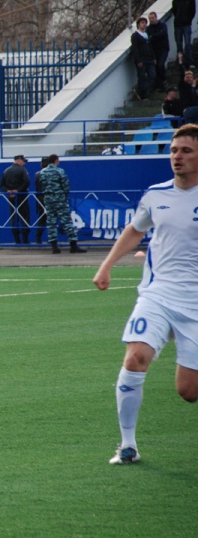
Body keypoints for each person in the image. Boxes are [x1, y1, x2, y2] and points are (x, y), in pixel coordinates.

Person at [92, 123, 198, 465]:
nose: (177, 157)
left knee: (188, 391)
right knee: (135, 357)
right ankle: (127, 446)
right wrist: (106, 265)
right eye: (174, 150)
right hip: (157, 294)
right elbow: (135, 230)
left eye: (186, 151)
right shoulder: (156, 195)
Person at [39, 154, 86, 254]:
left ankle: (54, 247)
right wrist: (63, 195)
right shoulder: (60, 171)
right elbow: (66, 186)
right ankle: (73, 246)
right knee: (67, 221)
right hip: (60, 199)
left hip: (48, 199)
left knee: (51, 222)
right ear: (56, 160)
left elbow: (41, 186)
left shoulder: (42, 172)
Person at [0, 154, 31, 244]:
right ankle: (25, 240)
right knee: (25, 217)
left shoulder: (6, 171)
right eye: (23, 161)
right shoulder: (22, 170)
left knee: (14, 218)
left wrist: (8, 191)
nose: (24, 163)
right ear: (18, 160)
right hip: (22, 197)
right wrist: (18, 190)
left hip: (11, 198)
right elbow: (27, 182)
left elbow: (1, 185)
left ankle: (17, 240)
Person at [131, 17, 156, 101]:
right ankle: (142, 94)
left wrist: (153, 57)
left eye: (145, 23)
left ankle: (142, 89)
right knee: (141, 76)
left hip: (149, 59)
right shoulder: (135, 35)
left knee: (152, 75)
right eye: (142, 23)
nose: (144, 24)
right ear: (138, 24)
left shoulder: (146, 34)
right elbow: (135, 49)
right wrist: (138, 60)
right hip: (141, 59)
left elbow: (151, 47)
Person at [147, 12, 170, 92]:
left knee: (160, 64)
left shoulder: (162, 25)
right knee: (156, 67)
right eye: (150, 18)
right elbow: (149, 39)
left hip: (164, 49)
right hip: (154, 50)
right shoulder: (148, 29)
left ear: (156, 17)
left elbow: (163, 34)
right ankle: (160, 85)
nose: (151, 20)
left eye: (152, 18)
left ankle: (164, 80)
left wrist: (153, 36)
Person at [172, 0, 196, 70]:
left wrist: (188, 20)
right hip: (177, 24)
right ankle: (181, 62)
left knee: (187, 44)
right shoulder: (175, 1)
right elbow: (174, 11)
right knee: (179, 45)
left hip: (186, 24)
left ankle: (190, 62)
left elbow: (193, 11)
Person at [32, 156, 50, 244]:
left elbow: (37, 186)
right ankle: (51, 239)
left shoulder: (37, 174)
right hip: (51, 199)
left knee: (41, 219)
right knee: (52, 219)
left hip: (40, 199)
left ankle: (38, 239)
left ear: (41, 164)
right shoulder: (52, 174)